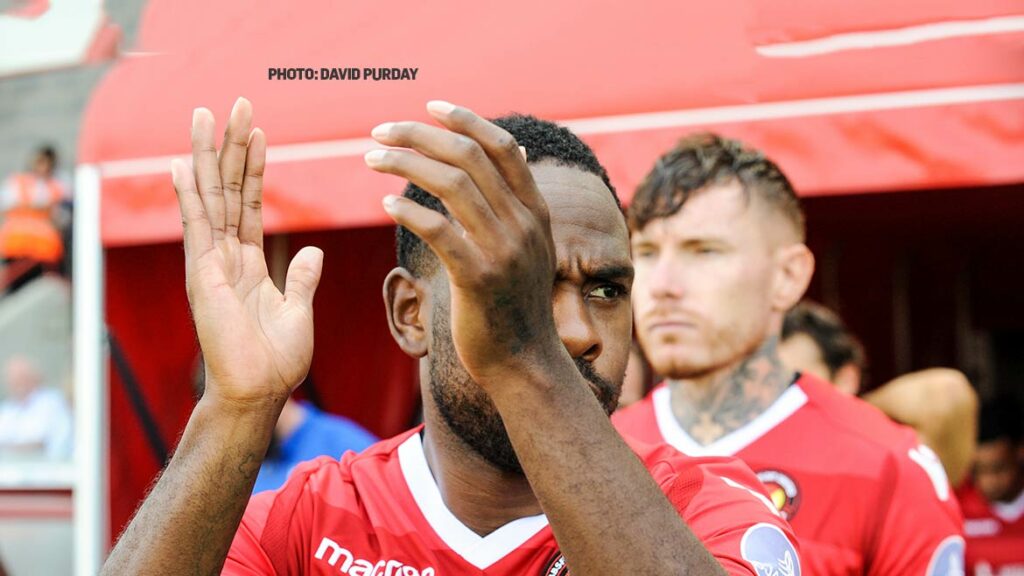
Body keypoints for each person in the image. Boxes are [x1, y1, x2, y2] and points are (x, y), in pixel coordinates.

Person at [100, 99, 800, 575]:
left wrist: (523, 358)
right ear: (410, 315)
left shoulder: (709, 507)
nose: (576, 331)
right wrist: (234, 409)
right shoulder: (309, 520)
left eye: (606, 290)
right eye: (518, 289)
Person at [613, 133, 964, 575]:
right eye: (645, 252)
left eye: (703, 251)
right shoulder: (596, 450)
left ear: (787, 276)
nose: (662, 285)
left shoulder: (888, 468)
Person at [779, 300, 979, 486]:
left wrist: (847, 412)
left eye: (794, 382)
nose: (777, 398)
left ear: (846, 380)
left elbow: (947, 392)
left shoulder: (882, 456)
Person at [193, 355, 378, 493]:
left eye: (236, 411)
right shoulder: (234, 472)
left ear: (270, 388)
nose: (232, 430)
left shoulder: (346, 447)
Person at [957, 398, 1024, 575]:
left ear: (1020, 453)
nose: (988, 482)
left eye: (998, 469)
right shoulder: (957, 507)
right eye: (979, 471)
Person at [0, 146, 70, 267]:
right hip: (15, 245)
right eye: (40, 162)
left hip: (45, 248)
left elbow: (64, 217)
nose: (43, 167)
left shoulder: (60, 186)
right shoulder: (17, 183)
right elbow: (5, 205)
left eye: (47, 163)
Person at [0, 355, 72, 459]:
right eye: (12, 379)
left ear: (35, 377)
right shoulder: (8, 408)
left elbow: (38, 445)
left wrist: (8, 447)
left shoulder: (51, 402)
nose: (17, 383)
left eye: (22, 377)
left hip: (49, 466)